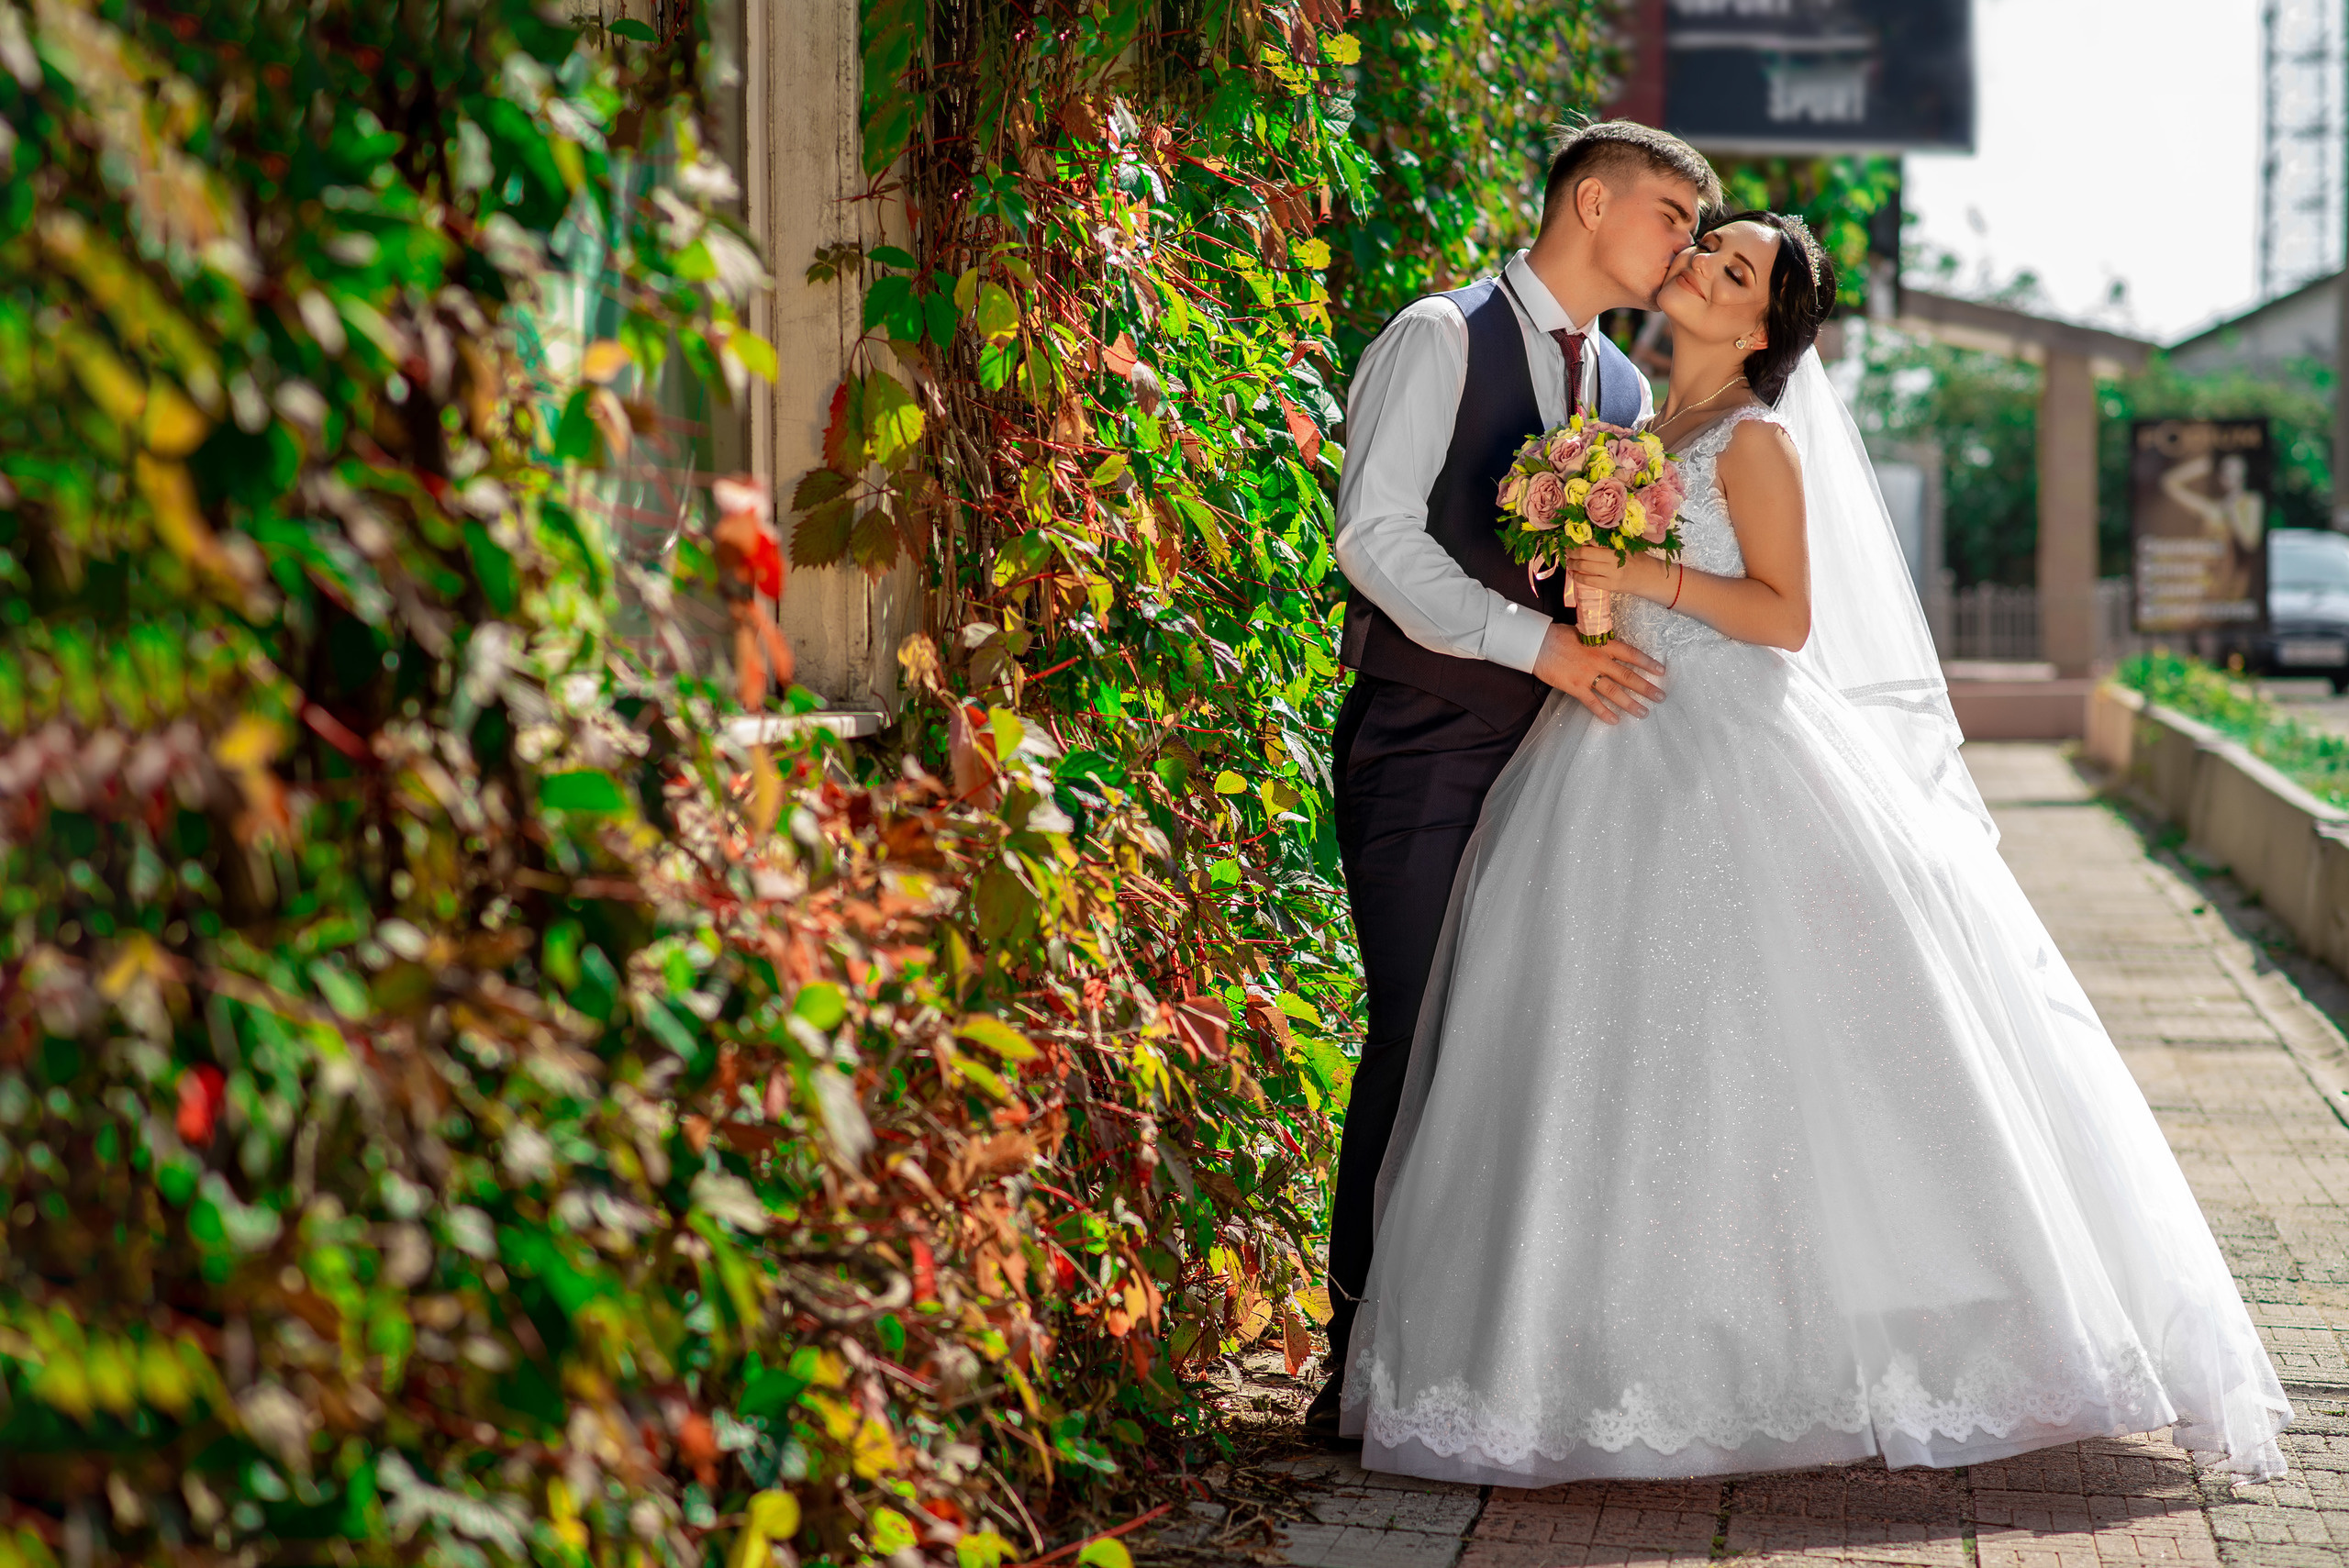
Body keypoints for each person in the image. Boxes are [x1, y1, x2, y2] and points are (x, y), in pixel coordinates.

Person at [1336, 213, 2293, 1485]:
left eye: (1735, 271)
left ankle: (1863, 1334)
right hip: (1605, 732)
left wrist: (1642, 574)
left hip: (1728, 744)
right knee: (1598, 1036)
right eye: (1708, 247)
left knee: (1761, 1039)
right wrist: (1592, 587)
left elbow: (1784, 616)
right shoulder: (1633, 427)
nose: (1702, 265)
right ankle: (1599, 1342)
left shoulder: (1756, 438)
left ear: (1761, 329)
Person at [1308, 121, 1722, 1440]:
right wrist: (1534, 645)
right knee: (1415, 1029)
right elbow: (1374, 538)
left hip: (1562, 769)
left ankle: (1476, 1355)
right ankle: (1355, 1355)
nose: (1686, 245)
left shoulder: (1626, 391)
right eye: (1671, 215)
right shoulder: (1441, 335)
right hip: (1427, 739)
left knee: (1519, 1047)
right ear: (1590, 202)